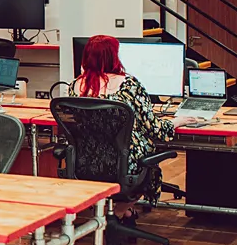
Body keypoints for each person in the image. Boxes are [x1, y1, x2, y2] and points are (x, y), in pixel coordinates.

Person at [75, 34, 192, 205]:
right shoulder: (129, 86)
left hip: (85, 163)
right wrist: (176, 121)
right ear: (114, 57)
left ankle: (117, 213)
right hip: (125, 163)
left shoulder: (75, 86)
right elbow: (155, 129)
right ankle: (121, 212)